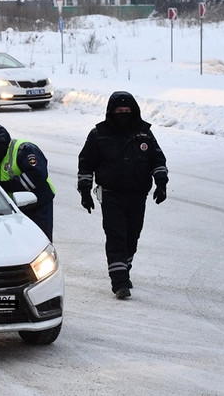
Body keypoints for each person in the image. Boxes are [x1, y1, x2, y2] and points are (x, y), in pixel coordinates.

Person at [77, 90, 168, 300]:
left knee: (132, 237)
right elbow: (85, 163)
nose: (123, 114)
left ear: (134, 111)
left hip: (138, 195)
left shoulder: (144, 134)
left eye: (127, 110)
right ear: (111, 112)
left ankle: (124, 268)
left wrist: (161, 183)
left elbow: (157, 159)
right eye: (119, 111)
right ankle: (119, 282)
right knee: (116, 237)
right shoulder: (99, 134)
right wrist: (85, 191)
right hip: (111, 195)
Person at [0, 121, 55, 241]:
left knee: (38, 243)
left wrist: (4, 187)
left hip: (37, 206)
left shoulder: (24, 149)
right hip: (11, 210)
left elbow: (37, 175)